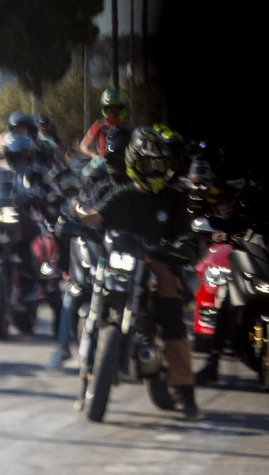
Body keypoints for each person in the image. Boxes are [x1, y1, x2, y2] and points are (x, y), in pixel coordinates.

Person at [73, 126, 199, 417]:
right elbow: (95, 216)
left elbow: (186, 235)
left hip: (157, 263)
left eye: (160, 165)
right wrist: (74, 216)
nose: (155, 171)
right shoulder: (123, 195)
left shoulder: (174, 199)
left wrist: (184, 247)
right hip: (122, 259)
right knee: (91, 290)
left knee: (172, 318)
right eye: (148, 164)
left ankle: (185, 390)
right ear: (134, 163)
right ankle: (89, 369)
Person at [80, 89, 131, 159]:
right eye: (111, 109)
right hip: (103, 162)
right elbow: (83, 145)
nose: (113, 112)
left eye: (116, 109)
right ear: (105, 109)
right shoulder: (99, 125)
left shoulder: (127, 127)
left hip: (122, 162)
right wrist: (94, 156)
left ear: (122, 109)